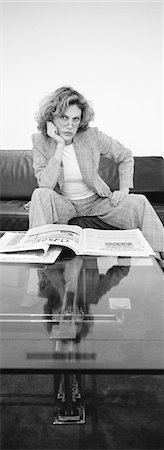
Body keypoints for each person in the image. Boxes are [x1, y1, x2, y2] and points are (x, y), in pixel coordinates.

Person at [29, 85, 164, 260]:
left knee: (139, 202)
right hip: (64, 204)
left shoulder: (92, 136)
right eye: (64, 117)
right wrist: (59, 146)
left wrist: (124, 190)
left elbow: (125, 156)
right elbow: (45, 184)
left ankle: (159, 259)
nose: (70, 125)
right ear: (51, 117)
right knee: (39, 194)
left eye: (75, 119)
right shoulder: (40, 141)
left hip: (95, 202)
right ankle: (37, 255)